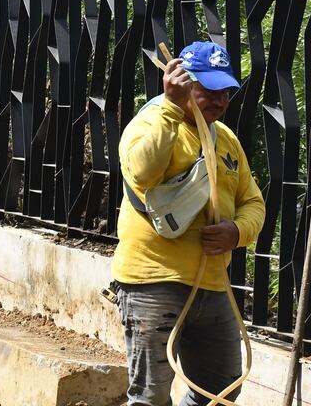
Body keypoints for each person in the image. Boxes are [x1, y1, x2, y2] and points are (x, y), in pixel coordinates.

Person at [110, 40, 265, 406]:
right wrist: (169, 109)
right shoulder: (150, 123)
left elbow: (253, 202)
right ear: (182, 83)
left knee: (222, 389)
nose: (221, 99)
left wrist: (237, 232)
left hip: (212, 285)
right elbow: (142, 174)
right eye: (209, 89)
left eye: (226, 91)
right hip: (153, 282)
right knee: (149, 396)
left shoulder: (226, 139)